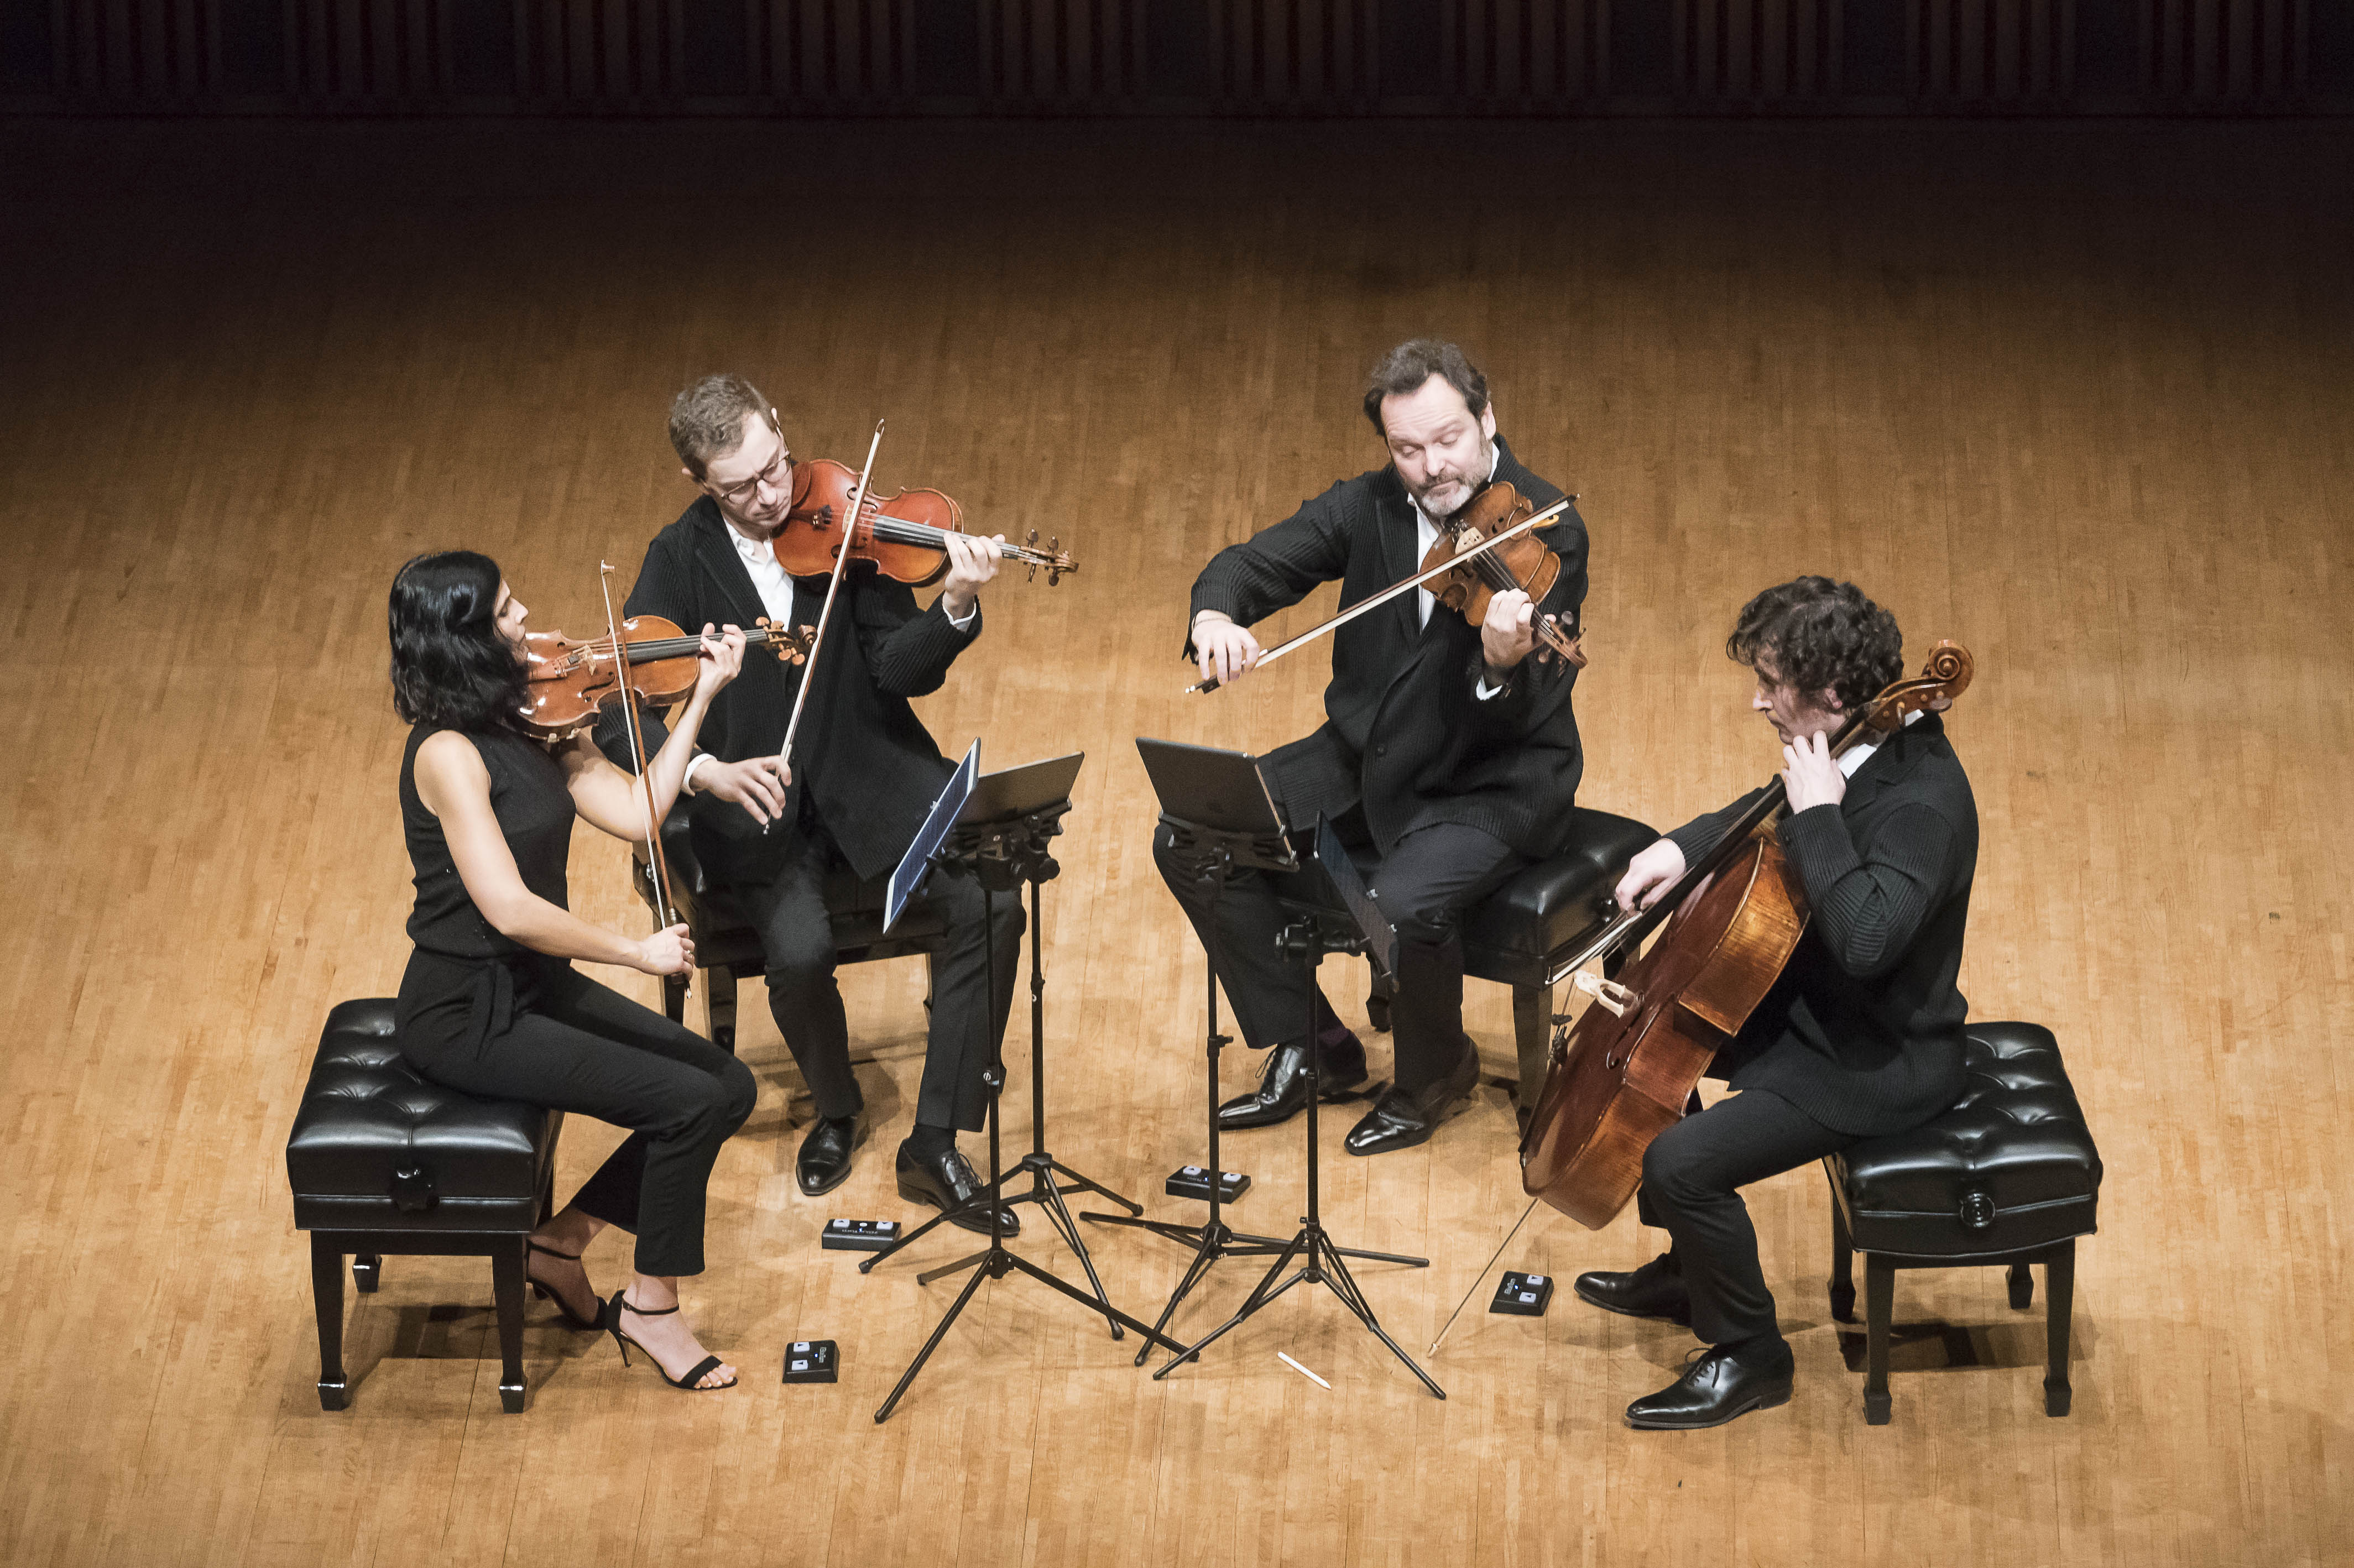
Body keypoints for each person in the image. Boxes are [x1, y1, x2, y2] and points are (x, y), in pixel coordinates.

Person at [595, 375, 1022, 1234]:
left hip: (874, 775)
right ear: (697, 482)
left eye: (775, 467)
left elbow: (899, 670)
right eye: (740, 487)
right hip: (758, 816)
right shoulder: (678, 559)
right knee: (797, 954)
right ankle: (837, 1108)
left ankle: (934, 1138)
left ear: (781, 433)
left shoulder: (844, 523)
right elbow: (620, 711)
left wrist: (954, 603)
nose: (770, 496)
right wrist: (705, 770)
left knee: (994, 901)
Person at [1168, 338, 1589, 1155]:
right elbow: (1247, 564)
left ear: (1486, 419)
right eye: (1407, 449)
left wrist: (1500, 665)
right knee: (1192, 833)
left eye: (1449, 440)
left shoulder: (1548, 529)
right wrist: (1215, 615)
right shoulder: (1368, 506)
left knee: (1400, 903)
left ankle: (1436, 1072)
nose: (1432, 467)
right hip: (1366, 751)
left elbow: (1535, 702)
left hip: (1491, 779)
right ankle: (1316, 1045)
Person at [1579, 576, 1978, 1430]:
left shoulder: (1924, 806)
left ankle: (1751, 1354)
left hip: (1877, 1057)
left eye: (1770, 684)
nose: (1757, 702)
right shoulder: (1858, 738)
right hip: (1817, 1005)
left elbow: (1866, 942)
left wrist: (1820, 819)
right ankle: (1694, 1269)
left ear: (1830, 692)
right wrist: (1679, 849)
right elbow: (1771, 802)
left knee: (1679, 1165)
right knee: (1657, 1041)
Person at [389, 550, 758, 1392]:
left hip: (534, 986)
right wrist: (635, 952)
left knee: (727, 1086)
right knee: (687, 1102)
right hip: (467, 1012)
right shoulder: (446, 754)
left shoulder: (535, 717)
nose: (529, 621)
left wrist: (701, 697)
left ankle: (557, 1245)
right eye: (505, 613)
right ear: (462, 640)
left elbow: (638, 811)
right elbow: (510, 910)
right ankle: (654, 1310)